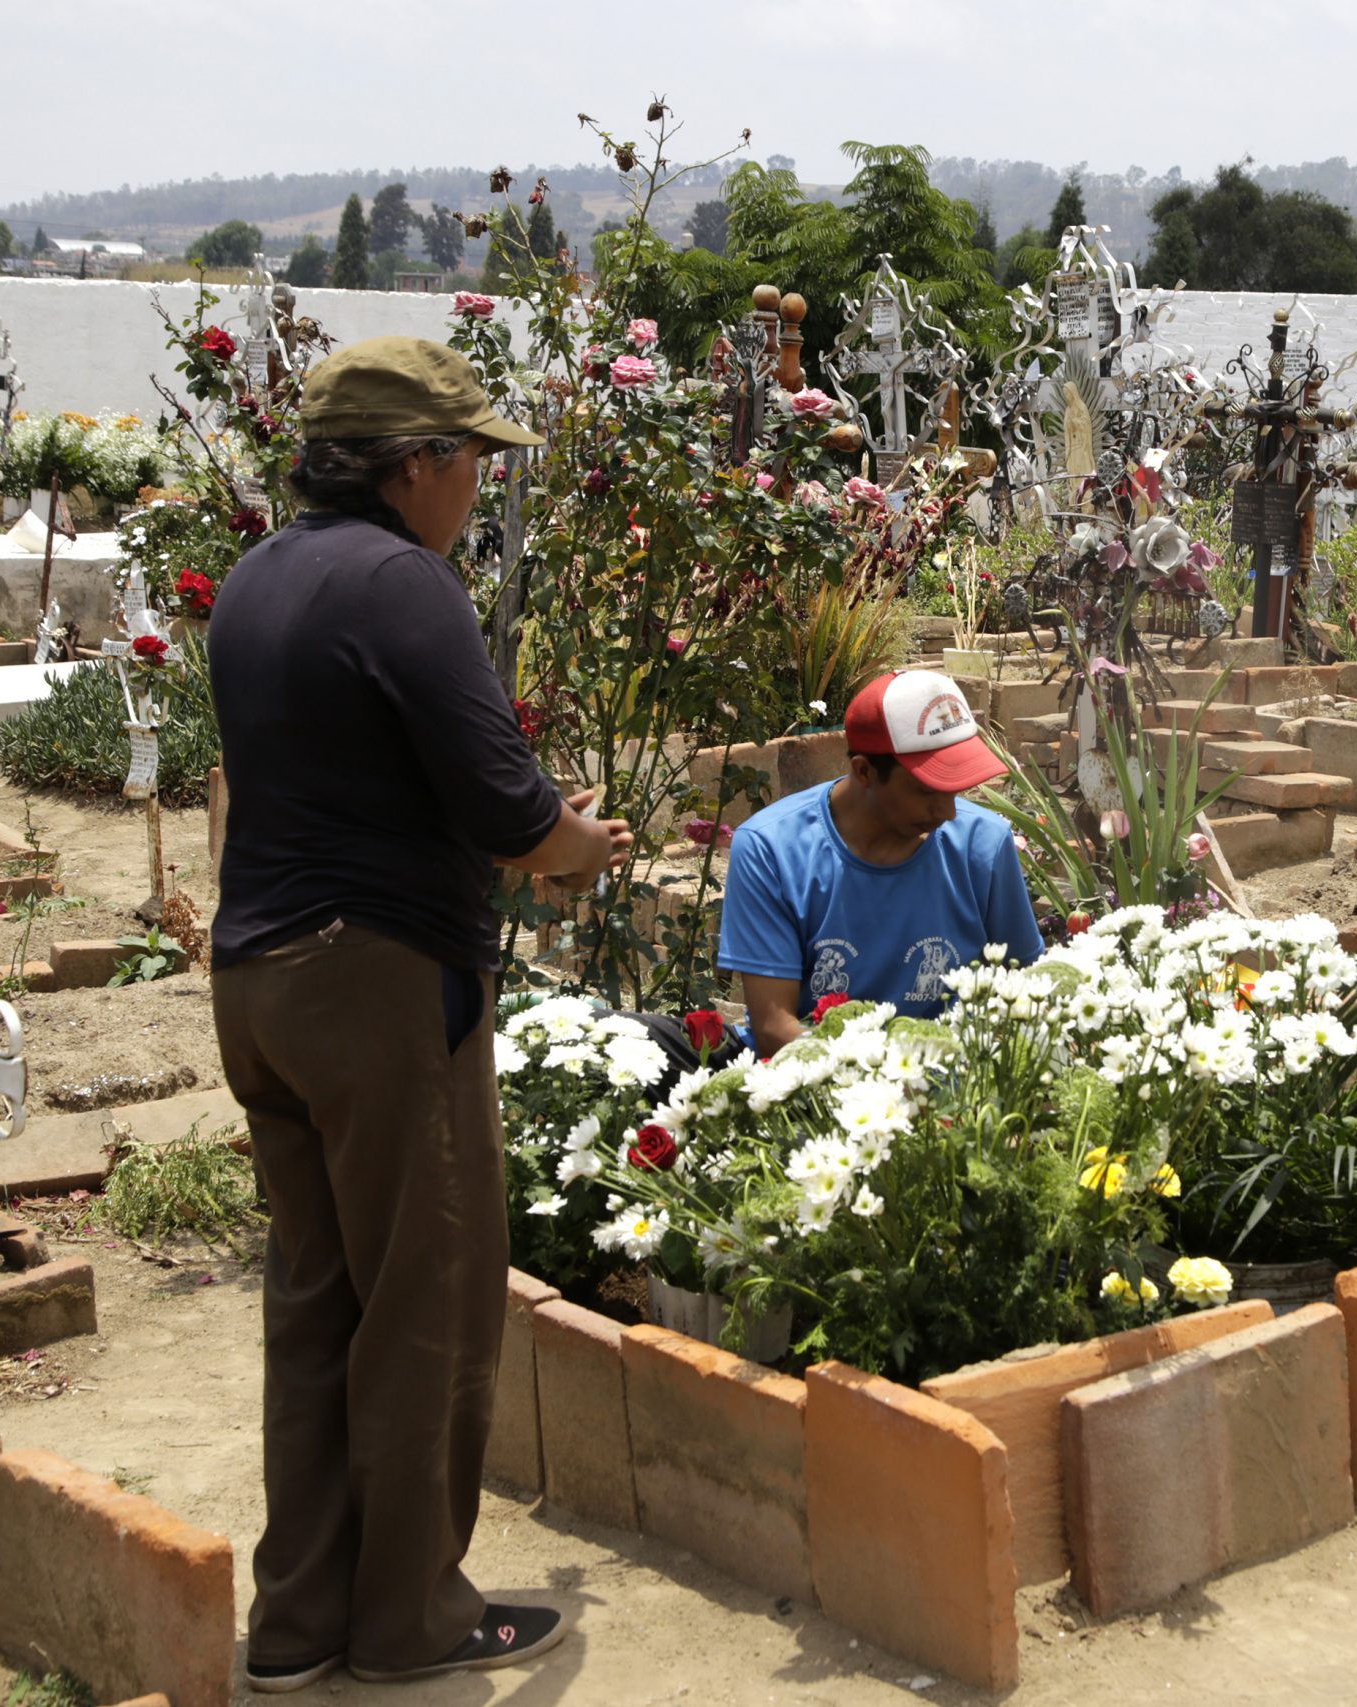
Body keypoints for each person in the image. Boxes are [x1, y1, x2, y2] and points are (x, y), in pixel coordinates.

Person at [209, 337, 631, 1687]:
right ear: (415, 463)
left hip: (260, 978)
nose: (474, 486)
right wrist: (584, 844)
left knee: (319, 1300)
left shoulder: (261, 578)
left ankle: (297, 1621)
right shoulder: (405, 584)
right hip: (378, 984)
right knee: (428, 1304)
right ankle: (410, 1619)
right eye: (469, 459)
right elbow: (511, 812)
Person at [719, 669, 1045, 1056]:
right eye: (928, 790)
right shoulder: (771, 849)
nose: (948, 811)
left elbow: (1026, 983)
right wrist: (889, 1075)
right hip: (822, 1091)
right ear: (864, 771)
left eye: (955, 788)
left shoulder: (984, 843)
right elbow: (775, 1027)